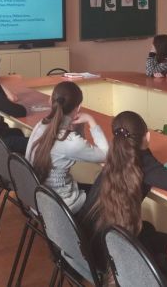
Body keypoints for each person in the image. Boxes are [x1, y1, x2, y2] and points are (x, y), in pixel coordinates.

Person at [78, 111, 167, 276]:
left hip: (87, 247)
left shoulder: (114, 156)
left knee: (149, 230)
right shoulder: (145, 164)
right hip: (110, 257)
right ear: (147, 137)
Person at [26, 81, 108, 213]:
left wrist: (78, 126)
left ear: (51, 100)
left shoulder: (41, 124)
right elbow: (106, 155)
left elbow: (78, 146)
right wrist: (90, 120)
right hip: (60, 207)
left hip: (37, 199)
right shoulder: (70, 141)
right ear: (78, 107)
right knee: (108, 179)